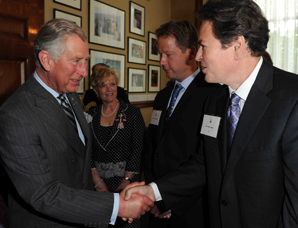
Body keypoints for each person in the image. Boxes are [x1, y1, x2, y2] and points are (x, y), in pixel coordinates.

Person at [125, 0, 298, 227]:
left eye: (204, 47)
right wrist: (152, 190)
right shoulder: (216, 100)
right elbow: (206, 163)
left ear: (236, 45)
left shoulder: (292, 98)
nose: (197, 57)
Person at [0, 18, 153, 228]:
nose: (83, 71)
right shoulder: (15, 115)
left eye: (86, 60)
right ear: (46, 60)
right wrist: (117, 205)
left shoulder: (70, 95)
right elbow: (43, 194)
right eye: (75, 61)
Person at [142, 20, 219, 228]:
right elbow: (151, 147)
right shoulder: (162, 96)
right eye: (160, 54)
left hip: (189, 209)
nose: (161, 62)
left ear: (191, 53)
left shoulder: (213, 95)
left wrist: (166, 197)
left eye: (168, 55)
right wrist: (153, 195)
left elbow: (205, 160)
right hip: (154, 205)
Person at [88, 66, 145, 228]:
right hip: (99, 184)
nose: (109, 89)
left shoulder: (132, 113)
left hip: (127, 182)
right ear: (95, 90)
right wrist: (96, 181)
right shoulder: (91, 115)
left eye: (112, 84)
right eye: (103, 85)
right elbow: (88, 149)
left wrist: (127, 179)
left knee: (127, 223)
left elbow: (137, 148)